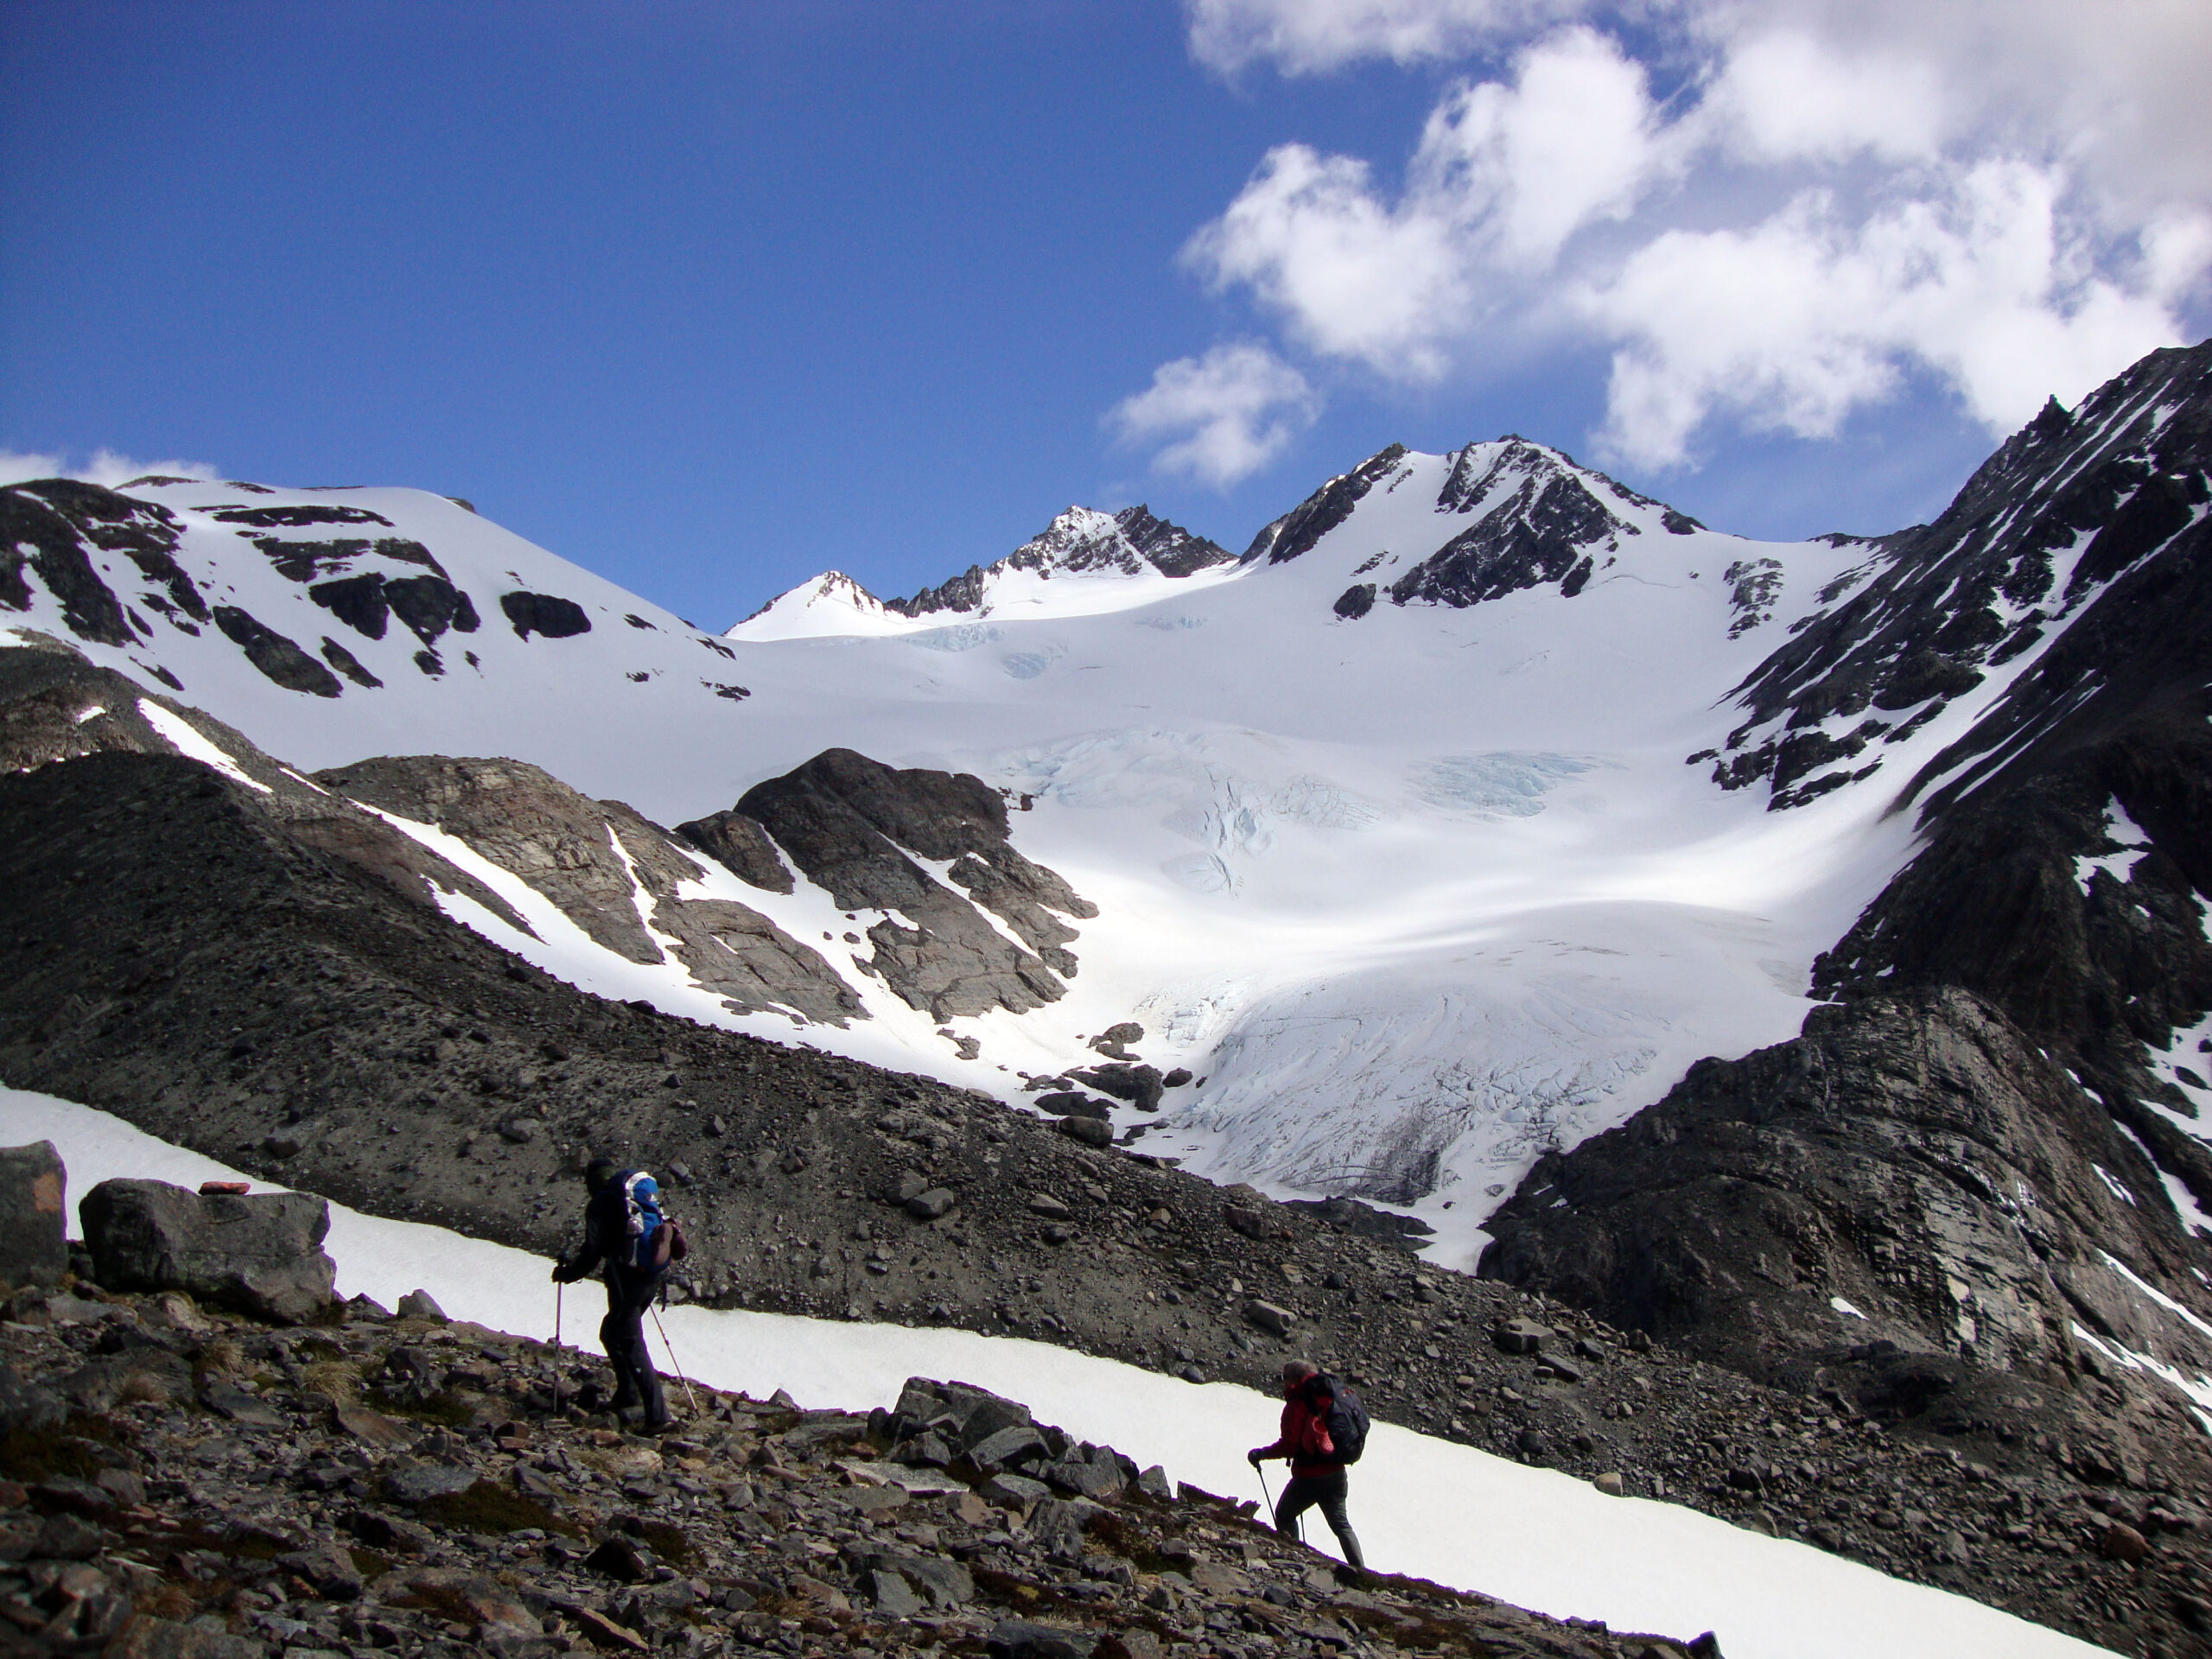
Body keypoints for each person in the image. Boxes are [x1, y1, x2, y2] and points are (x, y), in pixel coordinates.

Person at [552, 1159, 671, 1433]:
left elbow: (593, 1251)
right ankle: (627, 1395)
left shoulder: (602, 1205)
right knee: (611, 1332)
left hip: (626, 1284)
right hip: (649, 1280)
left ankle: (658, 1416)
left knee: (630, 1342)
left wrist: (568, 1274)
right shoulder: (634, 1202)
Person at [1249, 1359, 1365, 1579]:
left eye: (1285, 1378)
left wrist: (1262, 1454)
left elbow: (1290, 1445)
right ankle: (1362, 1572)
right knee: (1341, 1525)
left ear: (1294, 1379)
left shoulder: (1298, 1402)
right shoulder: (1331, 1395)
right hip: (1337, 1472)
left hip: (1310, 1477)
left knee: (1284, 1515)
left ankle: (1290, 1559)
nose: (1283, 1384)